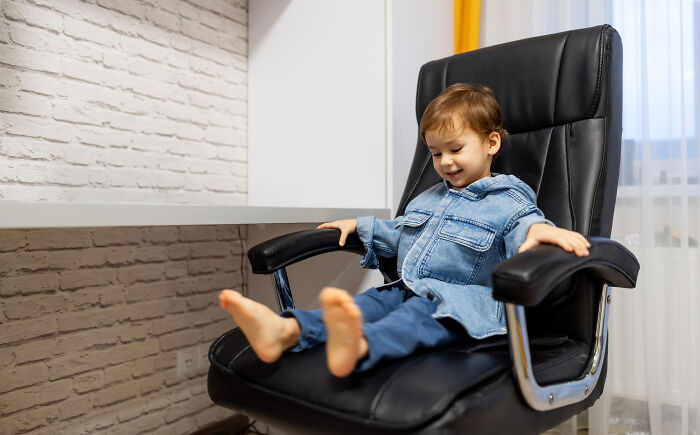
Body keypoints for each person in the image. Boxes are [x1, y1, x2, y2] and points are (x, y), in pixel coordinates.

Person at [219, 83, 591, 378]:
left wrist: (542, 231)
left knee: (410, 320)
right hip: (408, 289)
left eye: (455, 149)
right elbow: (399, 234)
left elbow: (525, 224)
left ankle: (361, 347)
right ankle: (287, 332)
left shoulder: (507, 198)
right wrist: (360, 226)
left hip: (461, 308)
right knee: (365, 304)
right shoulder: (427, 199)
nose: (444, 162)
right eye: (435, 152)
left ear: (491, 143)